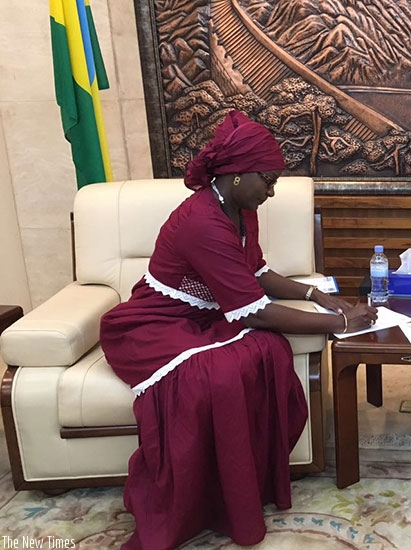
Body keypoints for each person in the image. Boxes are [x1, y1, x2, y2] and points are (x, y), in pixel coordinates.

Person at [100, 110, 377, 549]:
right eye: (267, 180)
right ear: (235, 176)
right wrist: (340, 323)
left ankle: (247, 484)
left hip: (208, 317)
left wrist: (317, 295)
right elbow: (253, 312)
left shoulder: (240, 208)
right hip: (157, 323)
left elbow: (258, 272)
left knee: (270, 351)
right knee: (222, 377)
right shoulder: (202, 222)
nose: (271, 190)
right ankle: (208, 499)